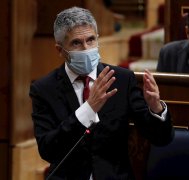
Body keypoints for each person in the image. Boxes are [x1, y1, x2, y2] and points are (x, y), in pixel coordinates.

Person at [29, 7, 174, 180]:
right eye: (76, 43)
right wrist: (88, 110)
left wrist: (156, 108)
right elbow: (48, 150)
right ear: (60, 50)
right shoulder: (44, 89)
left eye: (91, 40)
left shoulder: (122, 79)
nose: (86, 48)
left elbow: (161, 138)